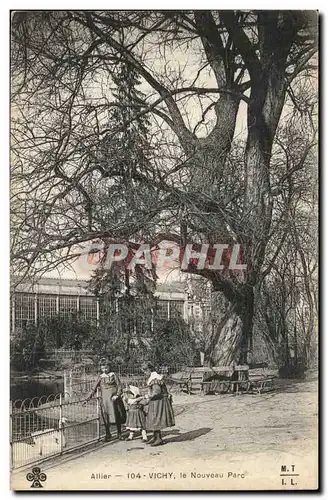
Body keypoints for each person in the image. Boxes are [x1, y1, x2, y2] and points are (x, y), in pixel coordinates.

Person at [87, 363, 126, 441]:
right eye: (103, 368)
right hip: (105, 400)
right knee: (106, 417)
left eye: (106, 368)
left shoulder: (114, 375)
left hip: (114, 399)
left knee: (117, 415)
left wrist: (117, 395)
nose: (104, 370)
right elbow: (93, 388)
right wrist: (87, 398)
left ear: (109, 367)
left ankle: (119, 433)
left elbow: (119, 386)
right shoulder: (101, 377)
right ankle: (108, 434)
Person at [142, 362, 175, 447]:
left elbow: (156, 392)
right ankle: (155, 437)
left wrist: (148, 396)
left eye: (145, 371)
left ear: (149, 370)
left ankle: (159, 439)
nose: (145, 373)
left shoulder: (155, 378)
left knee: (156, 419)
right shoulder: (154, 377)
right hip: (156, 401)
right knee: (153, 419)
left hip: (159, 401)